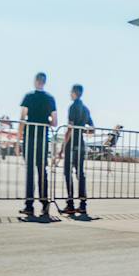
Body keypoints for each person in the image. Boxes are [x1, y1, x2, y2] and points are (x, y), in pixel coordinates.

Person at [19, 72, 57, 220]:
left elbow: (22, 118)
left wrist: (18, 139)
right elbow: (54, 122)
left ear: (36, 81)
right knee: (42, 171)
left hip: (29, 138)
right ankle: (45, 205)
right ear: (45, 82)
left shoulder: (28, 97)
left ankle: (29, 206)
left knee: (30, 172)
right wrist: (45, 120)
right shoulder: (50, 99)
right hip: (43, 138)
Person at [59, 84, 93, 216]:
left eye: (71, 92)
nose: (70, 93)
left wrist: (62, 148)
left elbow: (69, 129)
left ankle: (70, 204)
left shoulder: (73, 107)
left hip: (72, 144)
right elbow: (92, 129)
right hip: (81, 144)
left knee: (68, 173)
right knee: (80, 174)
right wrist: (83, 128)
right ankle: (83, 204)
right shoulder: (85, 109)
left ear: (75, 93)